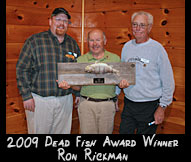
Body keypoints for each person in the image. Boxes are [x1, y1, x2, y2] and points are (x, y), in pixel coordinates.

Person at [16, 7, 81, 134]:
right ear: (50, 21)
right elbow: (22, 69)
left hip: (65, 99)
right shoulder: (34, 41)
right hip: (40, 101)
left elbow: (77, 71)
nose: (62, 23)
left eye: (65, 21)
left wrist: (78, 93)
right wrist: (26, 96)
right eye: (58, 19)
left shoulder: (72, 44)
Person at [58, 29, 129, 134]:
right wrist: (69, 85)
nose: (95, 43)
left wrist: (123, 84)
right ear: (88, 42)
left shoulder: (115, 58)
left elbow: (120, 82)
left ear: (104, 41)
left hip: (107, 106)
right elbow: (78, 87)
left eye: (98, 40)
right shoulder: (80, 60)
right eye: (91, 40)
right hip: (86, 105)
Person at [116, 11, 175, 134]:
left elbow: (168, 81)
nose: (137, 28)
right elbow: (121, 74)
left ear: (149, 27)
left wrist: (162, 107)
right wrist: (116, 95)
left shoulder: (157, 49)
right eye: (135, 24)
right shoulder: (126, 47)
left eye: (142, 25)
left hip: (150, 107)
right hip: (129, 104)